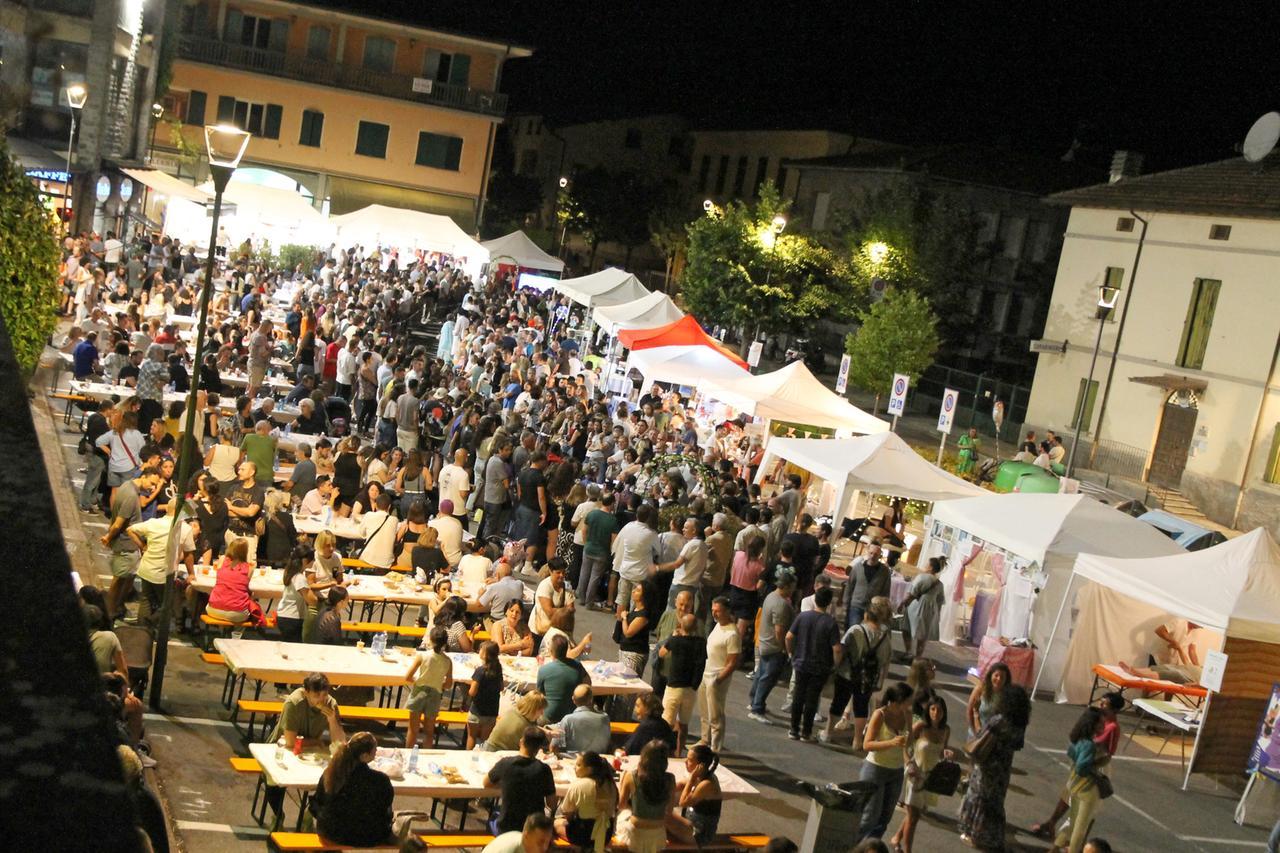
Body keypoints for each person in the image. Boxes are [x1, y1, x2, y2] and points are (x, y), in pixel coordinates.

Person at [1032, 693, 1125, 840]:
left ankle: (1068, 838)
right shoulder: (1098, 720)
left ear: (1114, 710)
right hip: (1085, 761)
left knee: (1084, 806)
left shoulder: (1112, 727)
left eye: (1104, 704)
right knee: (1068, 795)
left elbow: (1109, 752)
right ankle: (1052, 824)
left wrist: (1089, 757)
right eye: (1101, 703)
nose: (1100, 706)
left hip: (1096, 766)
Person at [958, 684, 1032, 851]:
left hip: (987, 767)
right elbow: (1018, 745)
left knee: (979, 798)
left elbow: (980, 735)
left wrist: (976, 715)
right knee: (995, 802)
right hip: (1003, 768)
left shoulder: (998, 721)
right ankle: (993, 837)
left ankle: (976, 835)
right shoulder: (1019, 725)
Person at [890, 693, 952, 853]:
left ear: (944, 712)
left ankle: (896, 837)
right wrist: (909, 764)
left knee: (915, 813)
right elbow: (905, 746)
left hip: (931, 778)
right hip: (915, 775)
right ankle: (907, 850)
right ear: (928, 710)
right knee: (914, 816)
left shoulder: (946, 730)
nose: (936, 713)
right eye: (933, 709)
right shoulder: (921, 727)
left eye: (939, 710)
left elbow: (941, 752)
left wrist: (947, 754)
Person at [309, 731, 394, 847]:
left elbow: (319, 801)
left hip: (331, 832)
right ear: (364, 756)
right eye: (374, 750)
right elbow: (386, 805)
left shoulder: (331, 774)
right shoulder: (380, 780)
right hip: (368, 836)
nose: (376, 751)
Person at [1050, 708, 1112, 853]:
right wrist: (1099, 762)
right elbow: (1082, 768)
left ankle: (1055, 848)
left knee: (1073, 822)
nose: (1103, 727)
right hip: (1087, 789)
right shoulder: (1089, 745)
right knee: (1080, 828)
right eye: (1101, 723)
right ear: (1092, 724)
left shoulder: (1076, 740)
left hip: (1074, 787)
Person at [857, 682, 914, 841]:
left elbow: (909, 742)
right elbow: (867, 745)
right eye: (908, 700)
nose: (910, 704)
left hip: (896, 771)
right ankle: (853, 847)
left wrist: (909, 756)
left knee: (884, 819)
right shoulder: (880, 714)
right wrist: (891, 742)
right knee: (869, 818)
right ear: (898, 700)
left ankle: (871, 848)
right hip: (875, 769)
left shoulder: (907, 715)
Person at [785, 585, 843, 742]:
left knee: (798, 696)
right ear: (829, 603)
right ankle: (806, 732)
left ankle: (793, 729)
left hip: (801, 661)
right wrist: (836, 665)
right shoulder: (830, 623)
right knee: (812, 699)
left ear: (815, 599)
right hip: (820, 666)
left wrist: (791, 653)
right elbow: (837, 649)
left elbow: (789, 637)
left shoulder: (803, 617)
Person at [486, 726, 558, 834]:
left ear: (521, 741)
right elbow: (551, 803)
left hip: (507, 828)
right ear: (539, 748)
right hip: (533, 827)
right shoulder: (544, 770)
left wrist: (506, 783)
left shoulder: (505, 764)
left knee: (493, 815)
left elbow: (486, 783)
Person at [748, 570, 795, 722]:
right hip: (773, 646)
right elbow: (779, 631)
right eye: (792, 587)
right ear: (786, 586)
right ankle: (757, 707)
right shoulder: (781, 604)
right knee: (767, 678)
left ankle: (754, 701)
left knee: (761, 674)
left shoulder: (770, 596)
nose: (793, 590)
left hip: (764, 642)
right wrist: (784, 648)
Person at [696, 596, 740, 753]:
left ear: (727, 611)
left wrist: (718, 680)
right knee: (704, 711)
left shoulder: (732, 633)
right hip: (706, 673)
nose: (714, 614)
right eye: (713, 610)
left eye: (718, 611)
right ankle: (704, 740)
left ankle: (715, 748)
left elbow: (732, 662)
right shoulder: (718, 626)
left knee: (715, 714)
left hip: (716, 676)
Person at [616, 740, 676, 853]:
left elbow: (621, 805)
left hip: (635, 833)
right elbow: (669, 810)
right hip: (658, 833)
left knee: (622, 816)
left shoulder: (631, 776)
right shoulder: (670, 779)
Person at [658, 613, 706, 752]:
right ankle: (679, 752)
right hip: (691, 688)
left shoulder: (675, 640)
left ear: (681, 625)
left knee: (667, 722)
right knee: (684, 724)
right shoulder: (701, 643)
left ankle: (664, 751)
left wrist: (673, 636)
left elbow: (661, 653)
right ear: (696, 627)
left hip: (674, 686)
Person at [555, 751, 618, 853]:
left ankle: (579, 848)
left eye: (578, 765)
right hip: (606, 834)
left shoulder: (578, 785)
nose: (575, 767)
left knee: (556, 823)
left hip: (583, 836)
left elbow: (567, 814)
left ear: (589, 769)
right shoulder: (611, 784)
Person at [405, 625, 453, 748]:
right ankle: (427, 753)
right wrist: (438, 683)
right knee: (429, 731)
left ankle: (408, 752)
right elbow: (448, 684)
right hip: (435, 695)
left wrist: (418, 680)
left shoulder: (423, 656)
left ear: (430, 640)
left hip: (419, 692)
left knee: (413, 729)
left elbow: (408, 677)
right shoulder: (447, 661)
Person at [672, 743, 721, 846]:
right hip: (690, 826)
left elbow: (683, 803)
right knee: (662, 812)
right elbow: (680, 785)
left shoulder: (707, 783)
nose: (685, 762)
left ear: (700, 766)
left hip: (700, 835)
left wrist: (691, 779)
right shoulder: (701, 776)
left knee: (663, 815)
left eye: (689, 760)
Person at [538, 633, 590, 724]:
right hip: (572, 714)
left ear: (550, 651)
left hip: (550, 716)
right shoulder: (577, 665)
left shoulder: (544, 670)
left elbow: (539, 694)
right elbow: (588, 683)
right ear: (566, 650)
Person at [578, 493, 619, 607]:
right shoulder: (613, 520)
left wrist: (586, 543)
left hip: (589, 548)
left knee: (584, 574)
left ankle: (581, 598)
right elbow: (614, 540)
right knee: (594, 578)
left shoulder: (592, 514)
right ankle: (589, 602)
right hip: (602, 552)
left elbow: (584, 530)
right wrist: (612, 553)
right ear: (611, 503)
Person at [900, 557, 946, 658]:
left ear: (930, 567)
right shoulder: (940, 584)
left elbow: (911, 592)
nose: (925, 565)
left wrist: (902, 603)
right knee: (922, 635)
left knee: (907, 629)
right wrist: (937, 615)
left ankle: (908, 652)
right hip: (930, 609)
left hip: (916, 606)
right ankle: (918, 657)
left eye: (927, 564)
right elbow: (940, 601)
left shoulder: (921, 577)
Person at [207, 538, 255, 624]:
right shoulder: (249, 568)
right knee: (250, 601)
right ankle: (237, 631)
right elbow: (245, 588)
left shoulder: (222, 560)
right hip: (237, 614)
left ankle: (222, 629)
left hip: (213, 610)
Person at [530, 558, 575, 650]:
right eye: (558, 572)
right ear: (551, 571)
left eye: (563, 572)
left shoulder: (567, 586)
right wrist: (564, 610)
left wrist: (559, 610)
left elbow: (571, 610)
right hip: (541, 630)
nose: (561, 575)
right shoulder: (545, 586)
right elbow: (549, 612)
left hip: (558, 630)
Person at [842, 542, 889, 628]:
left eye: (876, 554)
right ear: (867, 552)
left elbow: (885, 591)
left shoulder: (884, 572)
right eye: (871, 553)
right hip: (856, 605)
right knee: (855, 629)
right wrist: (845, 603)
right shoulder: (857, 567)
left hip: (873, 609)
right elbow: (849, 586)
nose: (873, 556)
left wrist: (882, 609)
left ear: (880, 555)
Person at [468, 641, 504, 749]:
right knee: (485, 740)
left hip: (477, 710)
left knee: (471, 737)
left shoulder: (480, 671)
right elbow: (501, 687)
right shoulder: (498, 669)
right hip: (492, 711)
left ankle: (468, 755)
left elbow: (472, 692)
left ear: (485, 654)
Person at [561, 684, 612, 755]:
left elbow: (554, 747)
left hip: (573, 760)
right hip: (597, 760)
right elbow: (608, 742)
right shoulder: (605, 718)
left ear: (573, 700)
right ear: (591, 699)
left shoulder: (567, 720)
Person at [966, 662, 1012, 737]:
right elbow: (969, 711)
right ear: (991, 675)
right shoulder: (980, 689)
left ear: (1006, 680)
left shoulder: (1006, 696)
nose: (999, 679)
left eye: (1002, 677)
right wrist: (974, 732)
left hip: (992, 738)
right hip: (974, 734)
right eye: (996, 675)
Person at [615, 580, 650, 676]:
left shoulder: (643, 615)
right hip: (625, 651)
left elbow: (628, 633)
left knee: (628, 681)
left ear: (644, 596)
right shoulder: (635, 609)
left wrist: (624, 618)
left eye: (638, 591)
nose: (633, 591)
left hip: (633, 654)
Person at [358, 493, 398, 568]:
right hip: (387, 562)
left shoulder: (368, 515)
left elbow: (361, 534)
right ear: (389, 507)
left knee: (356, 552)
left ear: (375, 505)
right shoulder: (394, 520)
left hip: (368, 558)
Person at [484, 812, 556, 853]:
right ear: (526, 836)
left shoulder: (521, 842)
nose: (545, 848)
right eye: (540, 842)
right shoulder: (512, 849)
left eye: (547, 842)